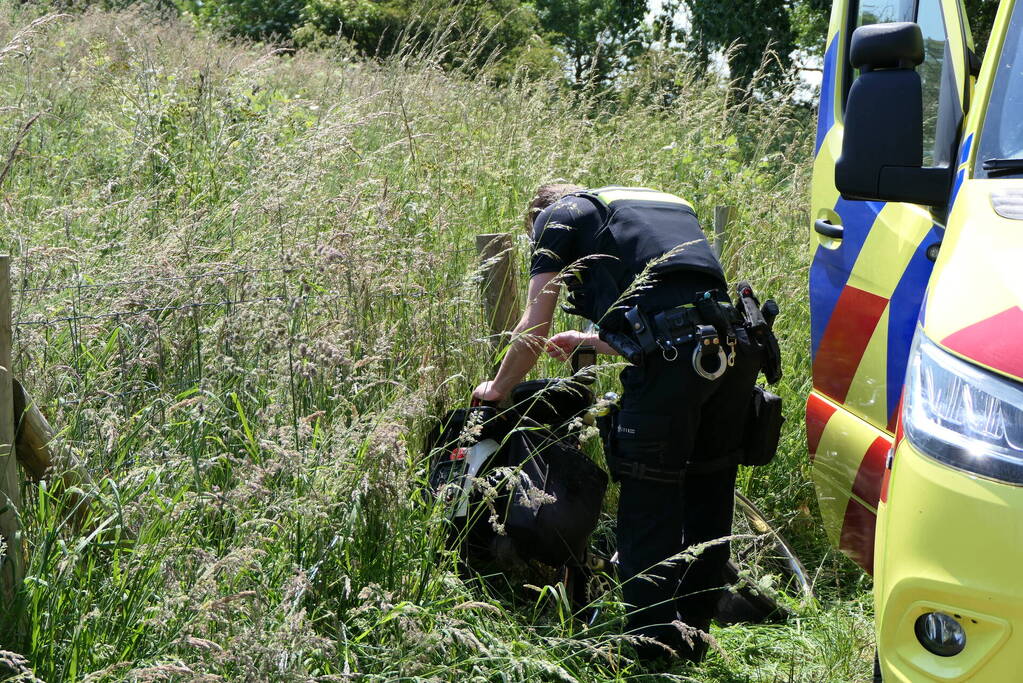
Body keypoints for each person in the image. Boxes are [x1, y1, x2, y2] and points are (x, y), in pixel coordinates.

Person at [472, 183, 762, 664]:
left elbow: (533, 325)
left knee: (650, 498)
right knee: (709, 492)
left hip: (675, 366)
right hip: (730, 355)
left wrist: (497, 388)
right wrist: (594, 340)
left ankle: (650, 651)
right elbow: (682, 313)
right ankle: (694, 638)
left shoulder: (555, 218)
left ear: (538, 219)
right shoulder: (654, 207)